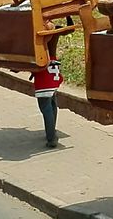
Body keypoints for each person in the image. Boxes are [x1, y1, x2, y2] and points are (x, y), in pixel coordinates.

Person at [32, 16, 73, 148]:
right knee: (52, 102)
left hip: (44, 68)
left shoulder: (37, 32)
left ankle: (51, 138)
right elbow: (70, 29)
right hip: (53, 69)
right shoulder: (54, 30)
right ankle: (52, 131)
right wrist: (68, 16)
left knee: (45, 106)